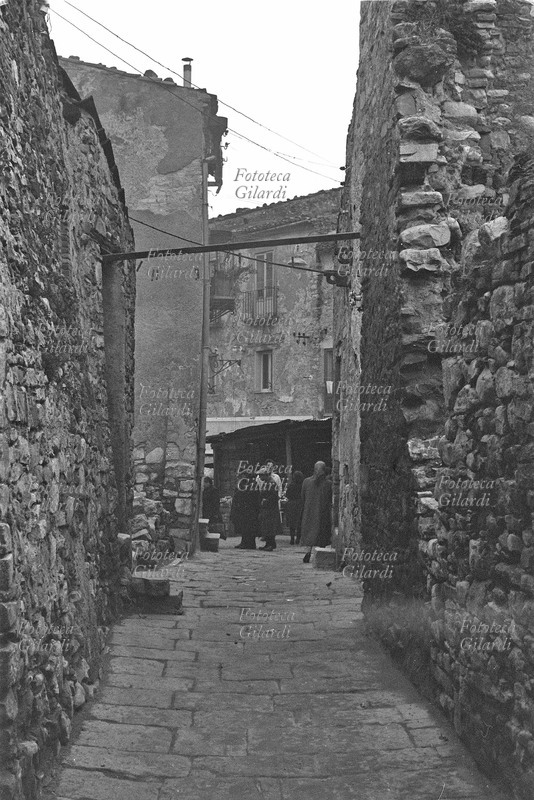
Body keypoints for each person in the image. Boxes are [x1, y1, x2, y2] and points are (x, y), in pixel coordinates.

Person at [300, 461, 332, 563]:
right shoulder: (328, 484)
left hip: (309, 511)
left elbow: (303, 497)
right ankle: (318, 554)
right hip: (321, 512)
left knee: (310, 532)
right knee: (320, 533)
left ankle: (308, 551)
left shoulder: (306, 482)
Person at [230, 479, 260, 550]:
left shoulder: (252, 484)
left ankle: (250, 544)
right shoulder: (244, 482)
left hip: (250, 509)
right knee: (244, 527)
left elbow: (252, 497)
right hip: (245, 508)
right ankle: (244, 542)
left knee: (250, 527)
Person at [257, 470, 283, 551]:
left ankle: (271, 544)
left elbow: (273, 496)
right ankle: (268, 544)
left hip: (270, 509)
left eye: (261, 475)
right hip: (267, 509)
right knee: (266, 527)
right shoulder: (267, 482)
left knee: (270, 527)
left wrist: (265, 500)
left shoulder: (271, 483)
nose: (260, 477)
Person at [285, 470, 304, 545]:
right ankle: (298, 539)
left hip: (291, 504)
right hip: (300, 504)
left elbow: (287, 494)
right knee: (299, 522)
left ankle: (292, 538)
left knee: (292, 523)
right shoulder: (302, 485)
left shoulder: (291, 485)